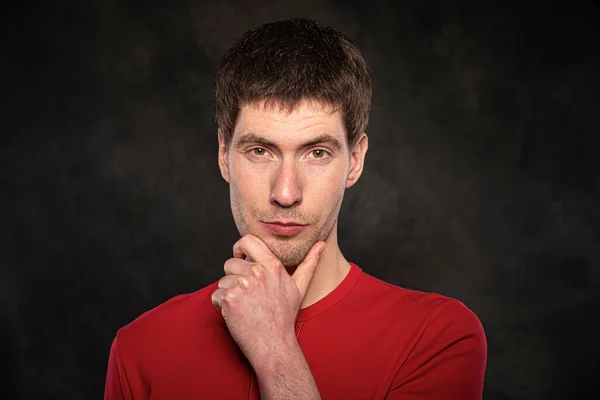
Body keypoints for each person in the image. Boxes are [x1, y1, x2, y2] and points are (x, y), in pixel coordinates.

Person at [104, 18, 487, 400]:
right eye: (260, 151)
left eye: (317, 153)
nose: (286, 193)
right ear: (224, 156)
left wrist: (275, 350)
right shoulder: (142, 347)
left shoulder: (437, 337)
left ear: (355, 161)